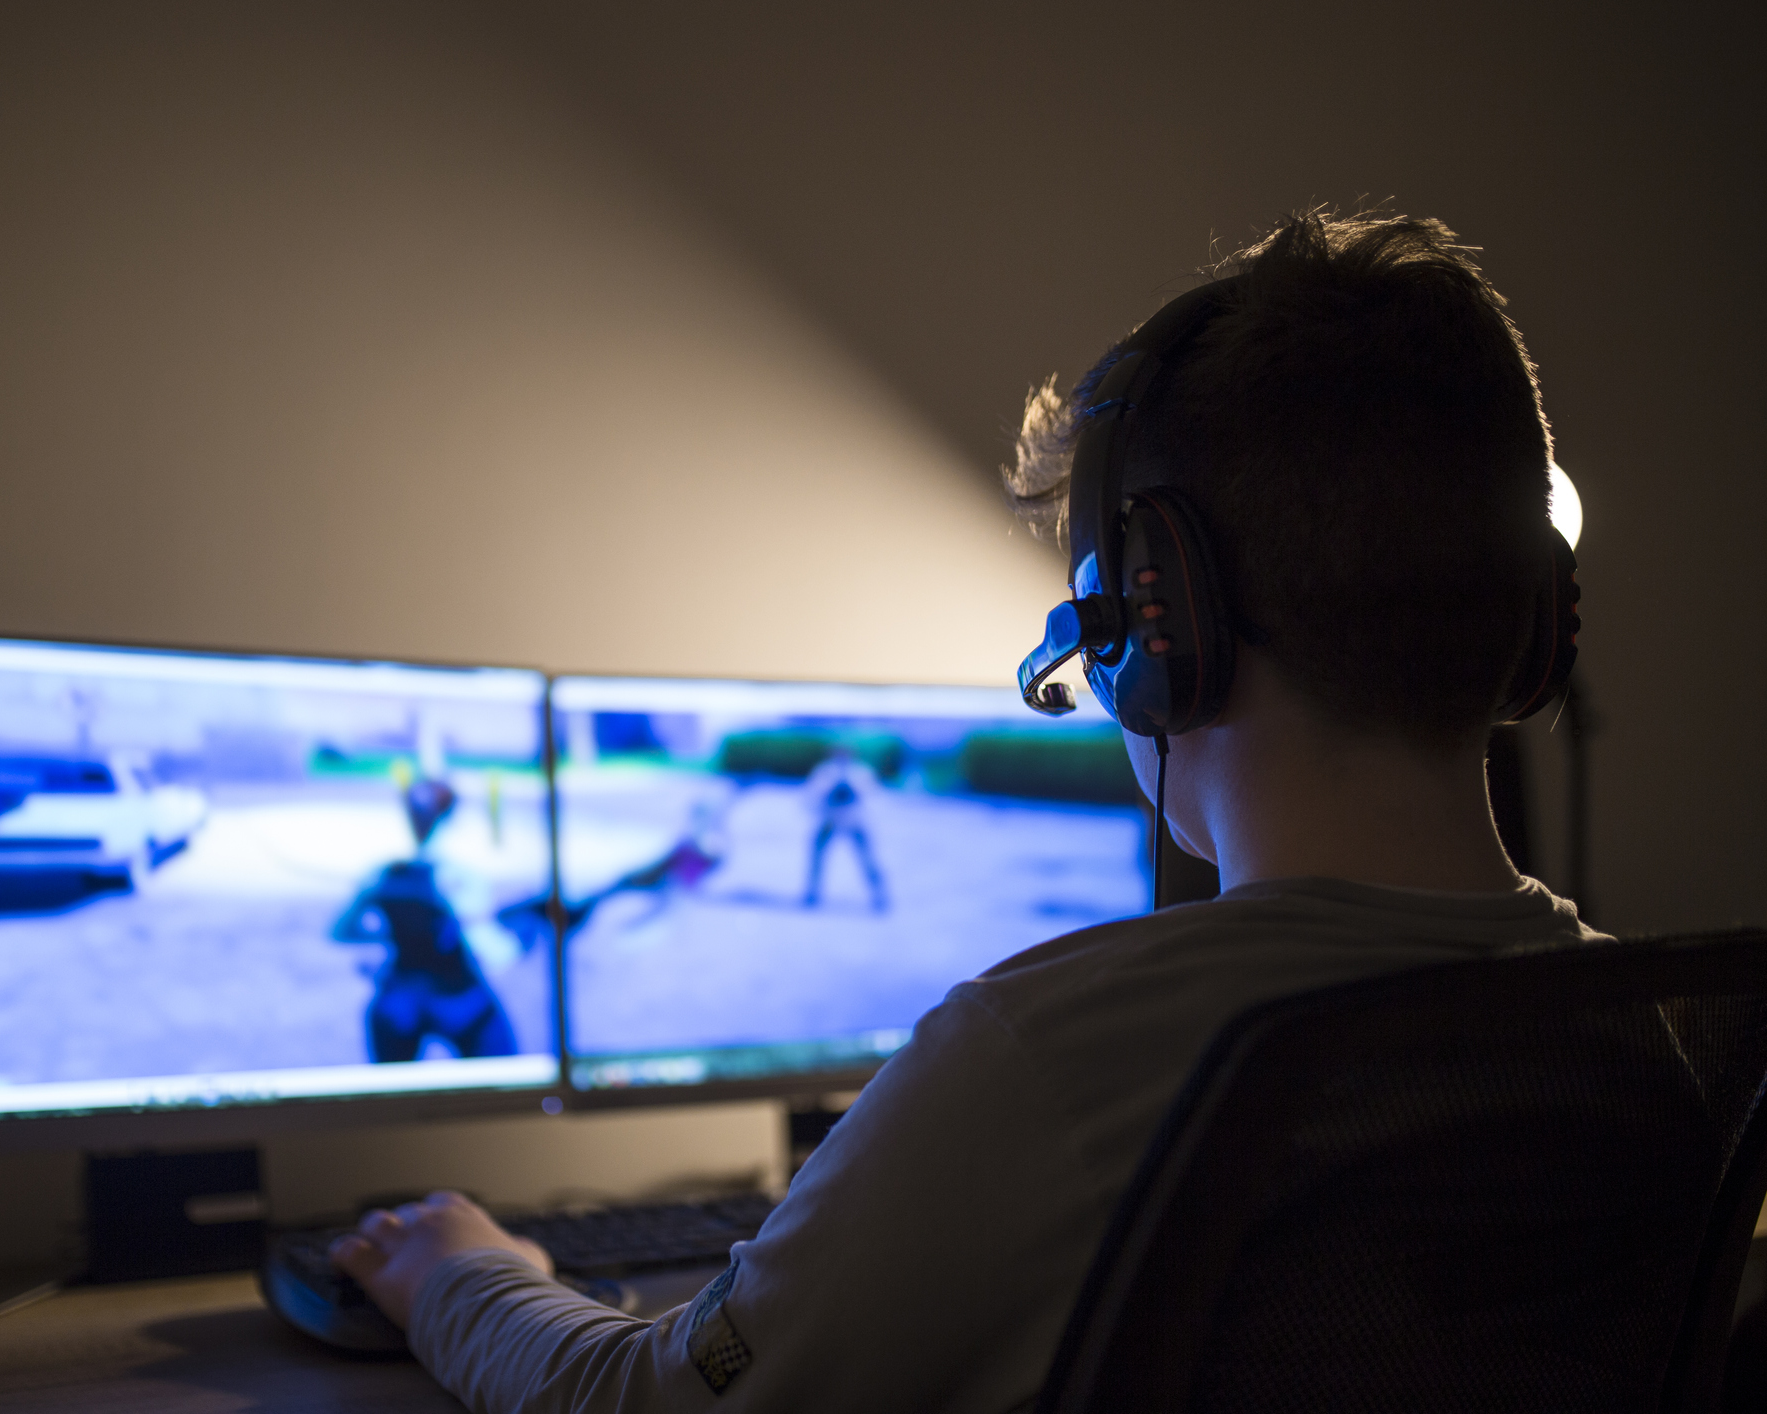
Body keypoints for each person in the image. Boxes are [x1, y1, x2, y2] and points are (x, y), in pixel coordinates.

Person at [326, 212, 1608, 1410]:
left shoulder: (1051, 1057)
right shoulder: (1646, 1039)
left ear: (1151, 632)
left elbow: (645, 1399)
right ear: (1536, 619)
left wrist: (457, 1266)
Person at [332, 775, 519, 1063]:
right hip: (455, 997)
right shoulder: (459, 877)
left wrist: (393, 936)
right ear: (451, 815)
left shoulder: (385, 874)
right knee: (507, 1079)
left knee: (392, 1097)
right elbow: (491, 951)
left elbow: (341, 931)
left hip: (400, 995)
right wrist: (519, 941)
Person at [801, 747, 888, 912]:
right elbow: (812, 793)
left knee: (867, 859)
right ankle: (812, 892)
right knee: (817, 857)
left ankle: (879, 895)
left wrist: (852, 789)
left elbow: (871, 793)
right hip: (830, 817)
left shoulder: (860, 772)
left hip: (854, 818)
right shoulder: (825, 771)